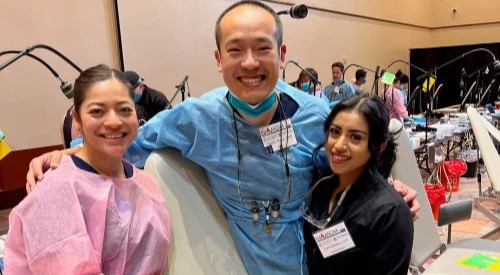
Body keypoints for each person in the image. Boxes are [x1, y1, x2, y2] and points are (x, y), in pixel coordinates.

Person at [25, 1, 419, 274]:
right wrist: (71, 154)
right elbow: (129, 140)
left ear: (282, 55)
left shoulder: (317, 116)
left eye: (262, 49)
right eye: (235, 50)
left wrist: (386, 193)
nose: (249, 63)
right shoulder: (195, 117)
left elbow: (344, 168)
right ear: (218, 59)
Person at [5, 64, 171, 274]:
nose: (113, 121)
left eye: (124, 109)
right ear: (77, 120)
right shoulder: (57, 189)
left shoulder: (146, 185)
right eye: (97, 111)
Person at [304, 94, 413, 275]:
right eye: (335, 131)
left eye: (355, 137)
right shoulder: (321, 187)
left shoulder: (390, 212)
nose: (338, 145)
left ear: (379, 146)